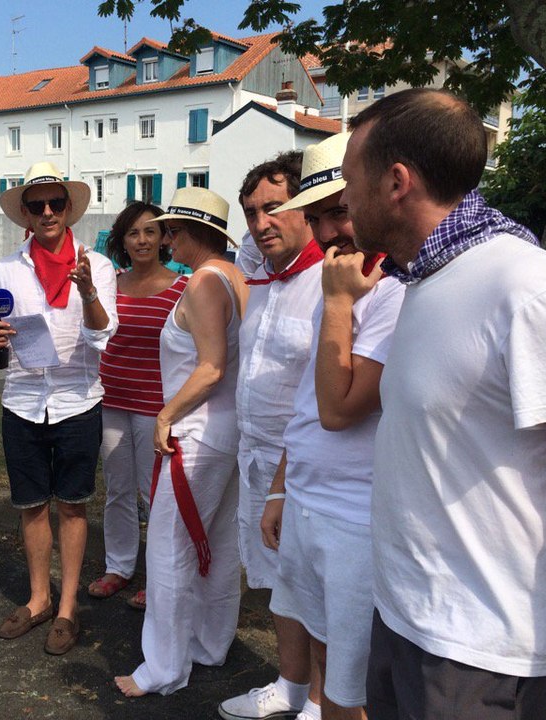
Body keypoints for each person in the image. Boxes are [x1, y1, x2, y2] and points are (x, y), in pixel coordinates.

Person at [342, 89, 546, 720]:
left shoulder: (528, 290)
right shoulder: (426, 281)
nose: (343, 201)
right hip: (407, 620)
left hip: (485, 656)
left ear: (396, 182)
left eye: (349, 179)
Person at [261, 132, 406, 720]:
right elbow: (306, 402)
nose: (326, 234)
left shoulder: (391, 291)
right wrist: (281, 484)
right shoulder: (341, 282)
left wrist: (341, 305)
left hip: (358, 513)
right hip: (310, 497)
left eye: (338, 213)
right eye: (315, 217)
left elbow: (339, 409)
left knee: (355, 684)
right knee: (321, 645)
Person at [115, 186, 249, 697]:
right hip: (226, 431)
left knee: (170, 549)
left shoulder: (203, 284)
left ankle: (164, 667)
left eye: (170, 229)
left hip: (196, 433)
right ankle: (210, 644)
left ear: (191, 232)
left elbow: (211, 366)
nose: (165, 238)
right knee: (215, 543)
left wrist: (165, 415)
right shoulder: (235, 277)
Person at [0, 161, 117, 656]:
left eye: (55, 203)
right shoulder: (6, 269)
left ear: (67, 208)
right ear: (25, 211)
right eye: (36, 204)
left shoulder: (96, 265)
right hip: (22, 400)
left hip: (78, 400)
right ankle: (38, 598)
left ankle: (67, 608)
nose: (46, 212)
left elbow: (104, 334)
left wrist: (86, 291)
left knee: (73, 504)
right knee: (32, 505)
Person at [219, 151, 324, 720]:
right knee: (280, 583)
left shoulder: (329, 281)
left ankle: (319, 700)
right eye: (253, 211)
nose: (262, 223)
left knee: (316, 586)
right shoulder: (260, 278)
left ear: (306, 208)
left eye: (276, 208)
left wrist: (285, 483)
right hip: (256, 456)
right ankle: (288, 683)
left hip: (310, 467)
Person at [89, 202, 188, 610]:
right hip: (110, 401)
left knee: (156, 496)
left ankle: (159, 575)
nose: (142, 240)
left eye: (151, 231)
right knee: (117, 490)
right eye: (133, 233)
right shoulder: (110, 283)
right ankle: (119, 567)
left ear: (165, 238)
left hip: (156, 408)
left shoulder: (185, 288)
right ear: (122, 240)